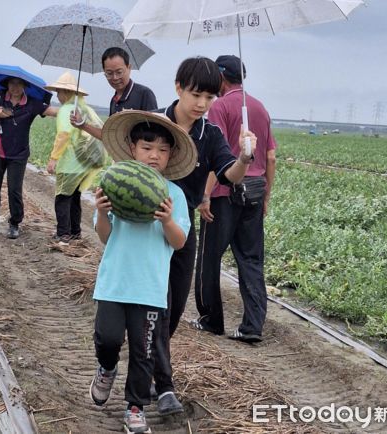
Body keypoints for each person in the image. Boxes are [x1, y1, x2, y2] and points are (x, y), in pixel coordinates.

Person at [151, 57, 258, 415]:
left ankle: (152, 366)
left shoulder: (209, 135)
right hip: (147, 228)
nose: (202, 104)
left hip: (183, 230)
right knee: (159, 307)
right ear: (178, 87)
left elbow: (229, 175)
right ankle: (162, 385)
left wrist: (245, 157)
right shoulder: (154, 124)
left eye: (210, 97)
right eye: (196, 94)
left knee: (176, 307)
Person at [89, 110, 196, 434]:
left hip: (150, 290)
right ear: (133, 148)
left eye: (163, 150)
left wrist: (166, 220)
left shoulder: (174, 196)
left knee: (144, 353)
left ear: (171, 156)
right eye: (147, 147)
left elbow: (179, 243)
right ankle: (106, 367)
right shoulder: (115, 181)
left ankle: (135, 408)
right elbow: (105, 236)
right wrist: (102, 212)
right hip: (114, 284)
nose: (154, 155)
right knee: (107, 339)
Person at [192, 55, 277, 342]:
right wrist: (266, 196)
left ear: (220, 78)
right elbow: (270, 157)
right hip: (254, 192)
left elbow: (214, 156)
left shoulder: (220, 107)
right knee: (251, 260)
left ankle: (211, 319)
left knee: (209, 257)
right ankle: (252, 327)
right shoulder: (260, 108)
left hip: (224, 193)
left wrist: (204, 195)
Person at [0, 76, 56, 239]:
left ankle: (14, 224)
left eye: (19, 83)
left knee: (14, 189)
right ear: (6, 84)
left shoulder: (32, 103)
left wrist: (71, 110)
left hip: (18, 153)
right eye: (12, 83)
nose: (15, 87)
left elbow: (52, 111)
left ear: (25, 86)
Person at [45, 72, 106, 244]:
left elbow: (64, 134)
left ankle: (63, 233)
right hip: (86, 165)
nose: (57, 95)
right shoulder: (86, 109)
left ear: (65, 92)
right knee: (75, 198)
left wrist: (53, 158)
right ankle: (75, 232)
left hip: (70, 164)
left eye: (59, 91)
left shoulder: (66, 110)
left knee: (62, 198)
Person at [70, 46, 157, 139]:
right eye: (109, 73)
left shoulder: (144, 94)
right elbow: (109, 136)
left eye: (119, 72)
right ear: (104, 72)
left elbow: (156, 131)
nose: (115, 78)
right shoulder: (114, 101)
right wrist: (81, 124)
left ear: (129, 68)